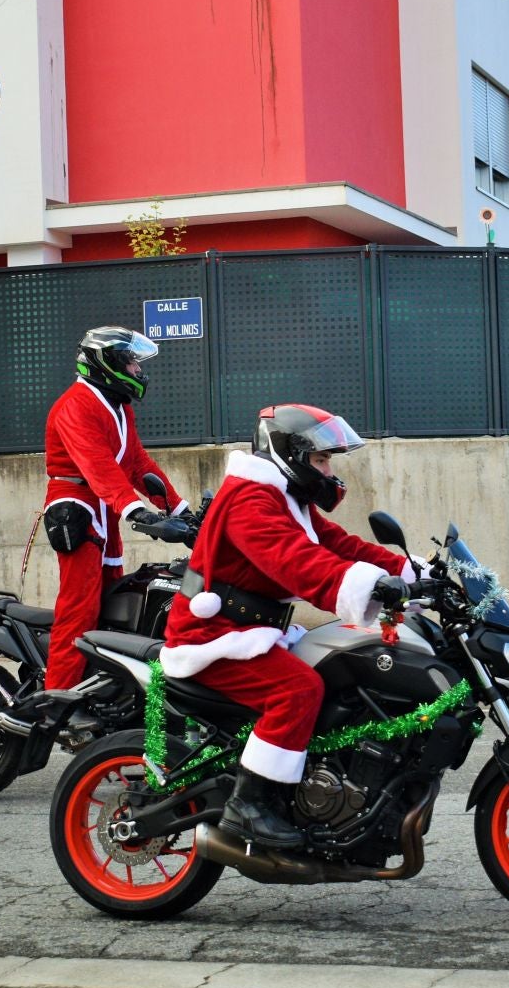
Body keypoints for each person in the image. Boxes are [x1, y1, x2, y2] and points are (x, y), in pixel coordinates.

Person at [158, 404, 415, 848]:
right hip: (214, 637)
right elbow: (295, 562)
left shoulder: (285, 496)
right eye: (321, 460)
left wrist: (413, 570)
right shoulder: (250, 500)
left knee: (341, 672)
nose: (328, 470)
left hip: (255, 632)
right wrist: (369, 586)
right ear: (291, 454)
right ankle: (249, 805)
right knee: (296, 690)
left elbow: (338, 543)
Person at [42, 327, 194, 707]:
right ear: (106, 364)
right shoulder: (76, 404)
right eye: (130, 361)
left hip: (104, 510)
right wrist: (136, 510)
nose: (137, 369)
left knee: (113, 603)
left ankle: (101, 690)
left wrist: (181, 511)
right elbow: (98, 466)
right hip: (76, 506)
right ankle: (56, 699)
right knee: (79, 609)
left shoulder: (118, 406)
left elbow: (138, 464)